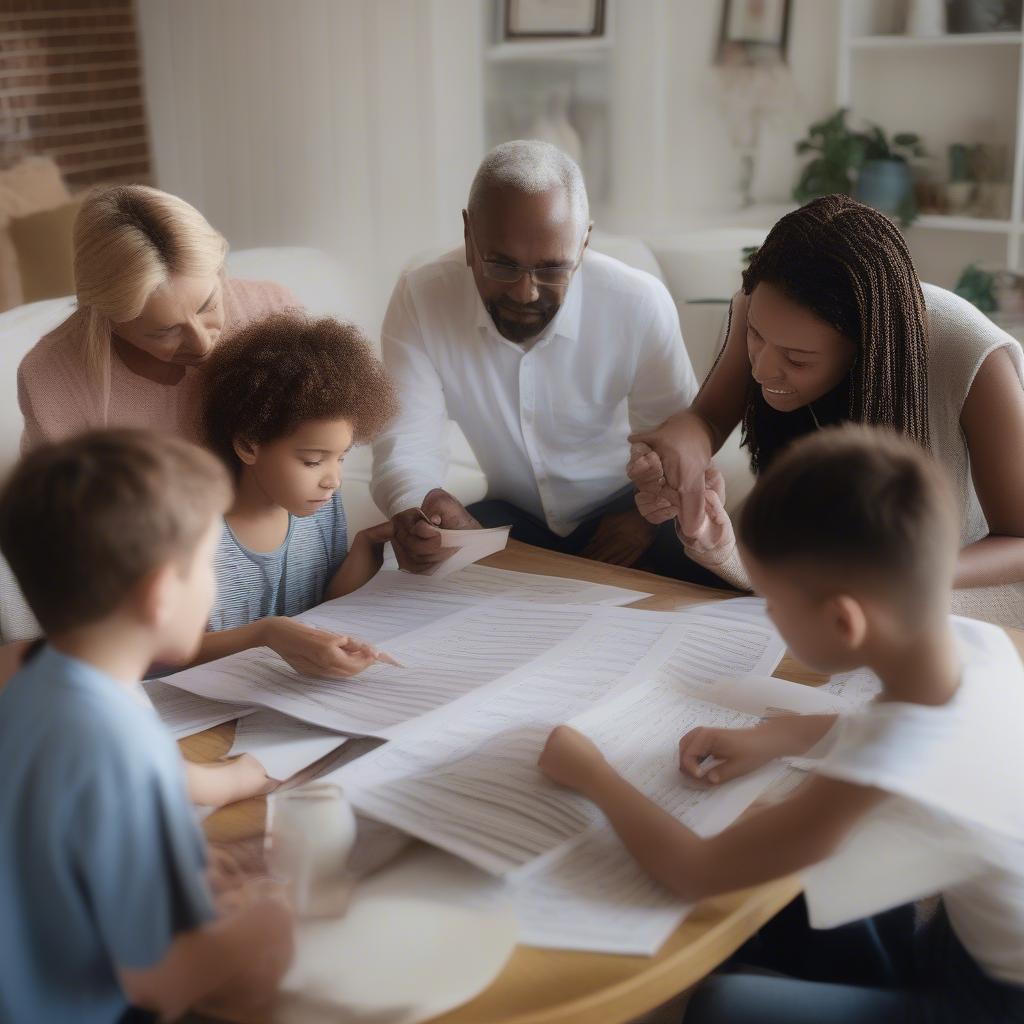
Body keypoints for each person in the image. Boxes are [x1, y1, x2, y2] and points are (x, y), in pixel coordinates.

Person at [539, 425, 1024, 1024]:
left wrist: (592, 773)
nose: (768, 617)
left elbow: (696, 871)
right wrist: (773, 735)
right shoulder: (977, 644)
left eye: (773, 604)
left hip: (992, 999)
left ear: (844, 622)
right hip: (974, 935)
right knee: (823, 891)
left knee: (722, 1004)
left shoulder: (893, 760)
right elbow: (882, 723)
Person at [0, 430, 294, 1022]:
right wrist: (274, 922)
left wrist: (180, 868)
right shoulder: (123, 746)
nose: (212, 582)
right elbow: (162, 980)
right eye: (209, 564)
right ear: (161, 593)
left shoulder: (31, 681)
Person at [629, 194, 1024, 627]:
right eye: (756, 336)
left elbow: (1018, 540)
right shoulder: (760, 305)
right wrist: (678, 445)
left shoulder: (972, 355)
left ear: (864, 348)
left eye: (797, 359)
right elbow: (708, 418)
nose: (761, 370)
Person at [370, 140, 709, 581]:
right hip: (514, 515)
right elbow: (406, 440)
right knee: (412, 569)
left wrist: (644, 520)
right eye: (502, 265)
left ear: (584, 243)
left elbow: (677, 441)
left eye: (551, 270)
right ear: (469, 236)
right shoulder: (421, 297)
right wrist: (418, 506)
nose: (525, 293)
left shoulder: (638, 303)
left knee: (702, 558)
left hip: (628, 504)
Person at [17, 183, 297, 452]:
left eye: (208, 305)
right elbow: (60, 498)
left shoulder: (274, 310)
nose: (201, 344)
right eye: (165, 331)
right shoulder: (52, 379)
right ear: (109, 319)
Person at [195, 311, 400, 677]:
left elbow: (325, 606)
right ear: (247, 445)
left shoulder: (321, 508)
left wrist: (367, 545)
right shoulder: (196, 535)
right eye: (312, 461)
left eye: (341, 457)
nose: (333, 479)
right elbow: (165, 650)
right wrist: (266, 633)